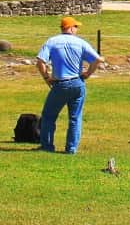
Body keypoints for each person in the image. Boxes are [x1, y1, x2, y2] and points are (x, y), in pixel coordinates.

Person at [34, 16, 103, 154]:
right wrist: (88, 73)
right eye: (76, 27)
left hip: (61, 84)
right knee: (75, 117)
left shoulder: (52, 41)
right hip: (77, 83)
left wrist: (47, 77)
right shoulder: (81, 43)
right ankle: (71, 148)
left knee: (48, 116)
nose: (77, 29)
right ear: (70, 28)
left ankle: (47, 146)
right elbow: (98, 60)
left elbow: (40, 62)